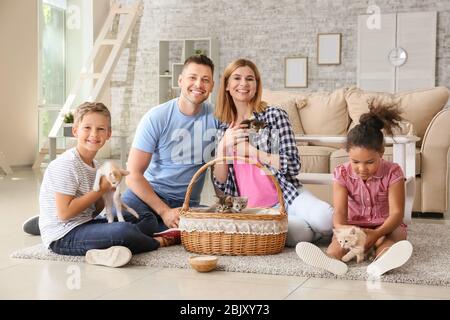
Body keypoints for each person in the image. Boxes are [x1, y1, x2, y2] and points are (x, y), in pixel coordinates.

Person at [38, 102, 177, 268]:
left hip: (84, 223)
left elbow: (94, 211)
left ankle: (103, 250)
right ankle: (157, 242)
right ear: (75, 131)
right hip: (63, 236)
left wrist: (108, 191)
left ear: (109, 134)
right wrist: (100, 189)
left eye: (101, 129)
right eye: (87, 128)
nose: (94, 134)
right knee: (124, 231)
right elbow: (64, 214)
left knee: (147, 218)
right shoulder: (66, 165)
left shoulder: (96, 165)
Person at [213, 58, 333, 246]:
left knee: (326, 219)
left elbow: (293, 164)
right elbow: (221, 184)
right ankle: (312, 231)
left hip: (287, 196)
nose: (243, 84)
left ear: (257, 84)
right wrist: (222, 147)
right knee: (298, 236)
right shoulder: (223, 128)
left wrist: (252, 151)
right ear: (227, 85)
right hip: (256, 210)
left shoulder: (274, 115)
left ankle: (317, 225)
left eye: (250, 79)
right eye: (237, 78)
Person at [296, 103, 413, 276]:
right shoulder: (342, 173)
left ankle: (382, 261)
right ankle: (332, 260)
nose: (362, 169)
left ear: (381, 152)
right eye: (355, 162)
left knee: (394, 235)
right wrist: (344, 229)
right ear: (348, 154)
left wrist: (376, 233)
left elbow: (396, 214)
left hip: (384, 226)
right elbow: (340, 211)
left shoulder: (393, 172)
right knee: (339, 243)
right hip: (354, 227)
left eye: (370, 162)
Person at [122, 54, 218, 233]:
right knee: (124, 224)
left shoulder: (216, 117)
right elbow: (132, 174)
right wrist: (164, 211)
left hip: (186, 204)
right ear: (180, 81)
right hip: (148, 196)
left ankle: (163, 232)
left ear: (212, 86)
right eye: (192, 78)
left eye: (205, 80)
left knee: (216, 228)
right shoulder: (156, 117)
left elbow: (223, 165)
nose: (198, 84)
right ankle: (165, 231)